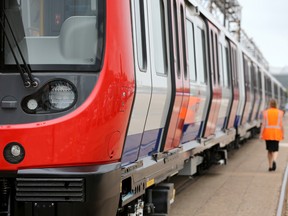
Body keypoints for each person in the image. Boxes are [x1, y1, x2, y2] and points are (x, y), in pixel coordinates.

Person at [260, 99, 284, 171]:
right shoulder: (280, 112)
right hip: (277, 133)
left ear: (270, 104)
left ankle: (270, 166)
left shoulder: (265, 112)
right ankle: (274, 160)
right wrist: (283, 133)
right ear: (276, 104)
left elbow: (263, 124)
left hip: (267, 133)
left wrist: (261, 134)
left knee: (269, 150)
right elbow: (281, 125)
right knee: (276, 149)